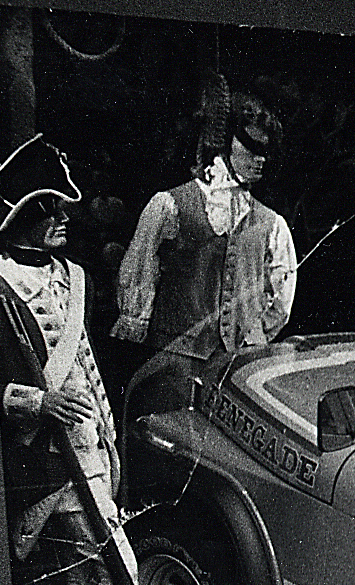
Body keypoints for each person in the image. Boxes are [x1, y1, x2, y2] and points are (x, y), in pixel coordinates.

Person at [0, 135, 147, 585]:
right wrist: (37, 403)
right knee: (111, 561)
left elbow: (86, 365)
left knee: (88, 567)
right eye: (49, 207)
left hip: (91, 445)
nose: (62, 215)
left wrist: (105, 431)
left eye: (61, 206)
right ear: (21, 215)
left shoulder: (73, 278)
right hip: (50, 460)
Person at [112, 94, 297, 417]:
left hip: (233, 371)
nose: (260, 160)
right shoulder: (170, 205)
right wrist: (136, 323)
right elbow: (139, 270)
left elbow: (281, 298)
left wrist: (253, 337)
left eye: (266, 152)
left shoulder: (272, 224)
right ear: (226, 144)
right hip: (172, 362)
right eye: (251, 147)